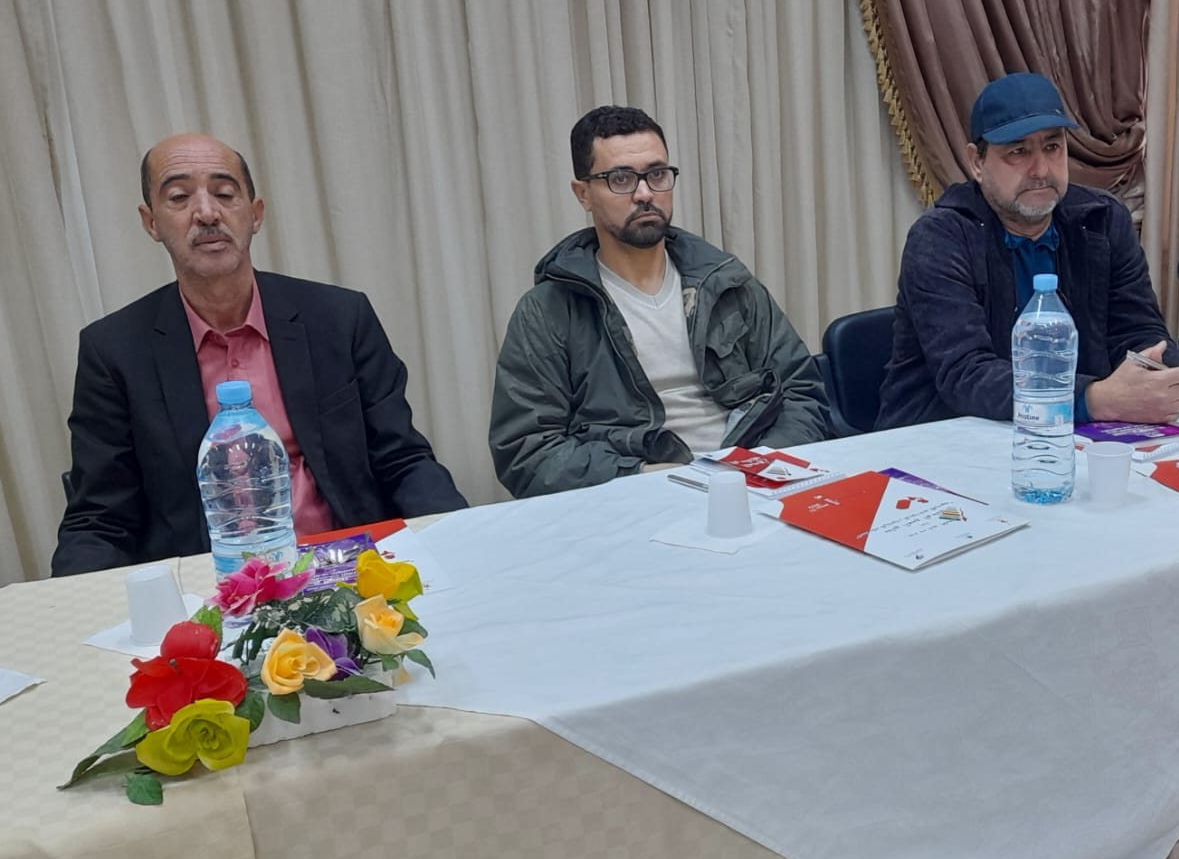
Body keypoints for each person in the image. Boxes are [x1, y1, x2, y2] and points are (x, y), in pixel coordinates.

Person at [53, 132, 468, 577]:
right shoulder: (114, 351)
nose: (206, 213)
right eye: (179, 197)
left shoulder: (339, 318)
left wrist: (464, 542)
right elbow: (100, 517)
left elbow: (403, 460)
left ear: (255, 214)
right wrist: (66, 604)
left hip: (350, 566)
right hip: (211, 587)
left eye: (224, 193)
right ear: (151, 222)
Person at [489, 105, 829, 497]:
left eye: (657, 174)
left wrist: (762, 466)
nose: (645, 193)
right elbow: (527, 451)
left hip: (754, 485)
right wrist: (643, 477)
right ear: (583, 194)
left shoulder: (726, 282)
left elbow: (802, 392)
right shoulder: (548, 310)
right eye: (620, 179)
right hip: (634, 498)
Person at [877, 72, 1179, 430]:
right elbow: (966, 374)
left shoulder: (1102, 221)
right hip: (943, 436)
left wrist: (1156, 380)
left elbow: (1139, 330)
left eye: (1053, 147)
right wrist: (1094, 399)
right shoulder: (940, 237)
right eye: (1018, 151)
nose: (1041, 170)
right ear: (977, 162)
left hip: (1076, 432)